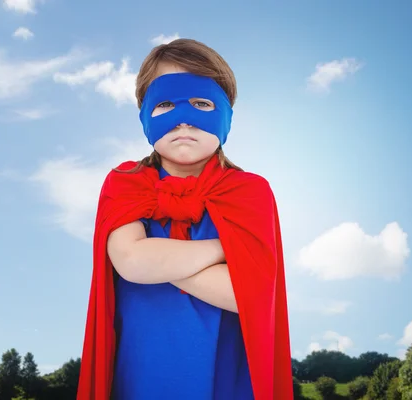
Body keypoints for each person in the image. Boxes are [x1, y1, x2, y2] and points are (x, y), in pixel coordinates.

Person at [76, 38, 293, 400]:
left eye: (201, 103)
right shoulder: (125, 184)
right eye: (165, 103)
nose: (183, 120)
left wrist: (155, 259)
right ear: (145, 112)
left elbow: (246, 295)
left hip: (225, 377)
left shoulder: (250, 192)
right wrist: (225, 249)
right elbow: (131, 262)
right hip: (140, 375)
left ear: (225, 112)